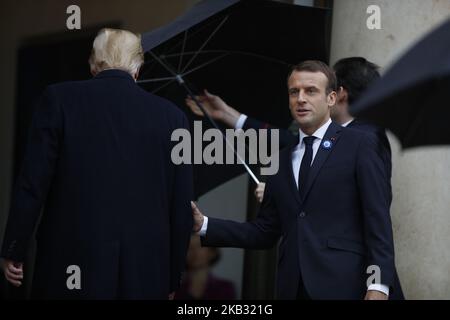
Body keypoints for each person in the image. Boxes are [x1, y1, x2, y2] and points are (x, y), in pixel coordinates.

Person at [0, 28, 193, 299]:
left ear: (93, 64)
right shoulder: (173, 118)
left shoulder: (58, 100)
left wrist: (14, 248)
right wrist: (172, 279)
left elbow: (33, 184)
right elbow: (180, 206)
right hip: (146, 274)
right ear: (138, 68)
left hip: (70, 267)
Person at [190, 60, 403, 299]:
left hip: (348, 287)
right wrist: (205, 224)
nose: (301, 98)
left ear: (332, 98)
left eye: (311, 91)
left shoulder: (362, 142)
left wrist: (378, 287)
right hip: (292, 289)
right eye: (294, 92)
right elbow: (264, 231)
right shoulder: (280, 160)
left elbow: (377, 220)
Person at [186, 57, 392, 203]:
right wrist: (228, 115)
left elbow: (350, 200)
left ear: (340, 94)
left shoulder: (368, 140)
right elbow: (288, 140)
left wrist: (279, 193)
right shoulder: (339, 133)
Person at [176, 235, 236, 300]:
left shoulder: (225, 288)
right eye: (189, 247)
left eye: (200, 247)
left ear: (212, 252)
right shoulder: (175, 289)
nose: (195, 252)